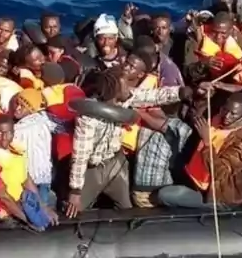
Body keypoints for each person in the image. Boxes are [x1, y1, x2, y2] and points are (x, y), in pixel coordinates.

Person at [66, 67, 187, 217]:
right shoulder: (88, 118)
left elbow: (152, 96)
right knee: (75, 210)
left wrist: (182, 92)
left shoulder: (124, 100)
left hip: (116, 162)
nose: (129, 89)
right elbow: (80, 155)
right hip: (93, 168)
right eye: (125, 85)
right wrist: (75, 190)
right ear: (115, 90)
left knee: (126, 210)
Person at [163, 92, 242, 208]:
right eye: (225, 110)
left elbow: (221, 173)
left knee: (164, 195)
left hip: (217, 193)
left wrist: (207, 143)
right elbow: (198, 118)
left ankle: (214, 208)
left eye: (233, 114)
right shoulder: (218, 117)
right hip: (195, 178)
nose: (227, 116)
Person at [0, 115, 57, 229]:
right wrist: (28, 221)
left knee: (47, 208)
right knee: (38, 223)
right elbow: (3, 197)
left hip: (14, 202)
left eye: (8, 133)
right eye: (0, 133)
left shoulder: (11, 148)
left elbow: (25, 178)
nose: (4, 138)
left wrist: (43, 207)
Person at [11, 88, 61, 207]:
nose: (17, 108)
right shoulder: (46, 119)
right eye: (17, 103)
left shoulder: (16, 130)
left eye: (22, 106)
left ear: (31, 109)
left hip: (28, 181)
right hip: (44, 178)